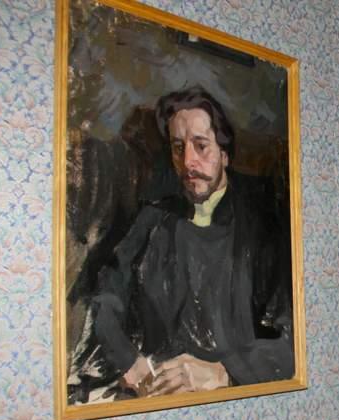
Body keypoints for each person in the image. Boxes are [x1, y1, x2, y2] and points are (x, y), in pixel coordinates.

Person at [68, 86, 293, 402]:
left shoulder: (264, 230)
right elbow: (106, 297)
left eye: (201, 146)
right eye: (178, 148)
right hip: (154, 396)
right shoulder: (152, 219)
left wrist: (223, 372)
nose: (188, 162)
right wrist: (131, 363)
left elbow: (294, 341)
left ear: (225, 154)